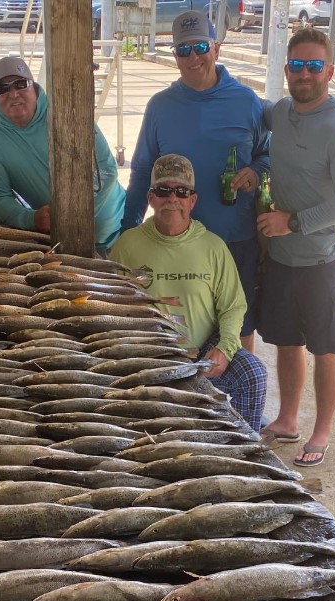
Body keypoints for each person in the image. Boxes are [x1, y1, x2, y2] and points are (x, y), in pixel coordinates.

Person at [121, 11, 270, 352]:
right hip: (176, 242)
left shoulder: (246, 101)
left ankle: (235, 401)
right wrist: (126, 229)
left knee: (239, 325)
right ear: (174, 55)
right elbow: (143, 170)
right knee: (176, 329)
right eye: (182, 49)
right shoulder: (160, 106)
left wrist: (257, 171)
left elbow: (268, 154)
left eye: (200, 46)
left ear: (217, 47)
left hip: (235, 238)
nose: (192, 57)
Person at [256, 28, 335, 467]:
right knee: (286, 340)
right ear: (286, 70)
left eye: (314, 66)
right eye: (297, 66)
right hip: (282, 257)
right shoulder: (282, 112)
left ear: (330, 71)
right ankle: (287, 418)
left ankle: (321, 430)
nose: (305, 74)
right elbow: (254, 124)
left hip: (325, 257)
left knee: (327, 346)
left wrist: (294, 221)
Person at [109, 154, 267, 432]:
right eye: (163, 190)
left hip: (203, 350)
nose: (173, 199)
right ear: (151, 198)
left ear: (192, 201)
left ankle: (246, 449)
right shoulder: (126, 245)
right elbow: (112, 306)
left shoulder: (213, 246)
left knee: (252, 374)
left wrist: (226, 347)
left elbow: (232, 305)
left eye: (182, 192)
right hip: (147, 353)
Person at [0, 56, 125, 252]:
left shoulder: (70, 116)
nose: (13, 94)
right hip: (66, 244)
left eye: (21, 84)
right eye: (3, 89)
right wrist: (31, 219)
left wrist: (72, 216)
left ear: (35, 88)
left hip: (122, 229)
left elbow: (107, 169)